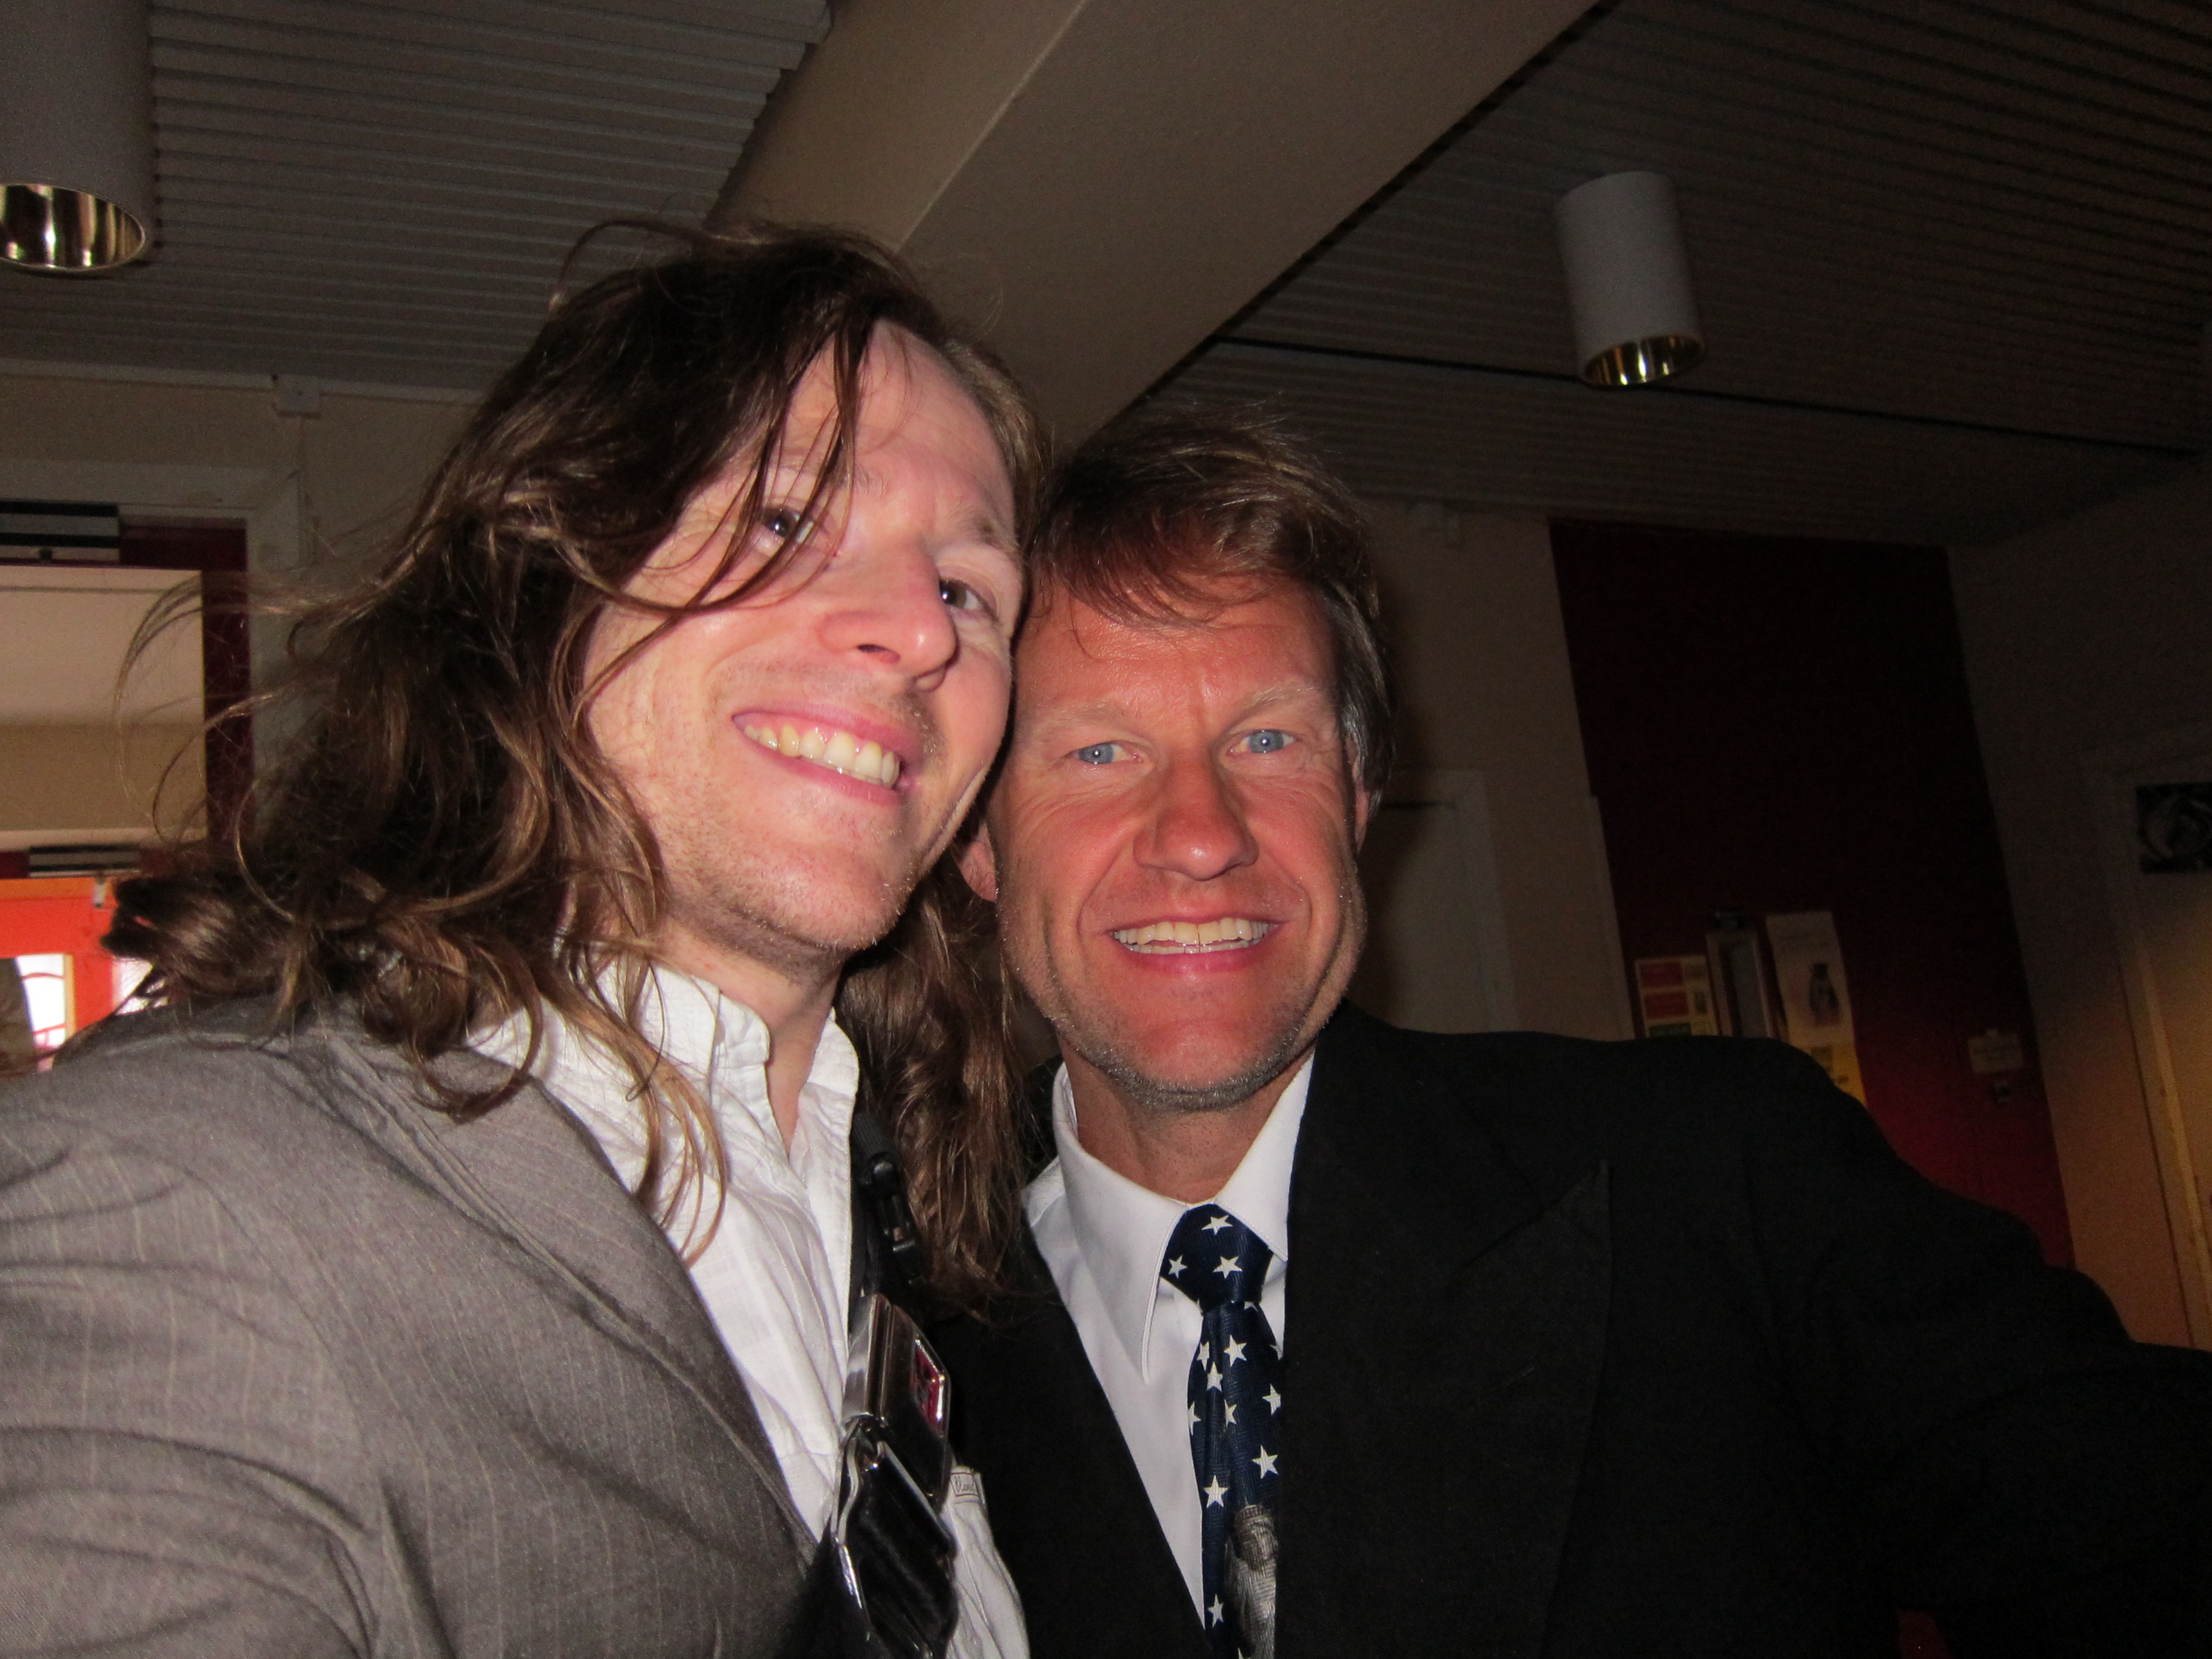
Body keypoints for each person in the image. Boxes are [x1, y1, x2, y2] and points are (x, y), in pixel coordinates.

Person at [933, 406, 2212, 1659]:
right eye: (1099, 753)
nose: (1203, 835)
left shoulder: (1722, 1180)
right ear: (978, 838)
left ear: (1361, 795)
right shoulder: (892, 1331)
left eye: (1269, 739)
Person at [0, 226, 1042, 1658]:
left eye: (970, 591)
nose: (921, 631)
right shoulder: (181, 1198)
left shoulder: (898, 1233)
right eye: (786, 519)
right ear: (547, 568)